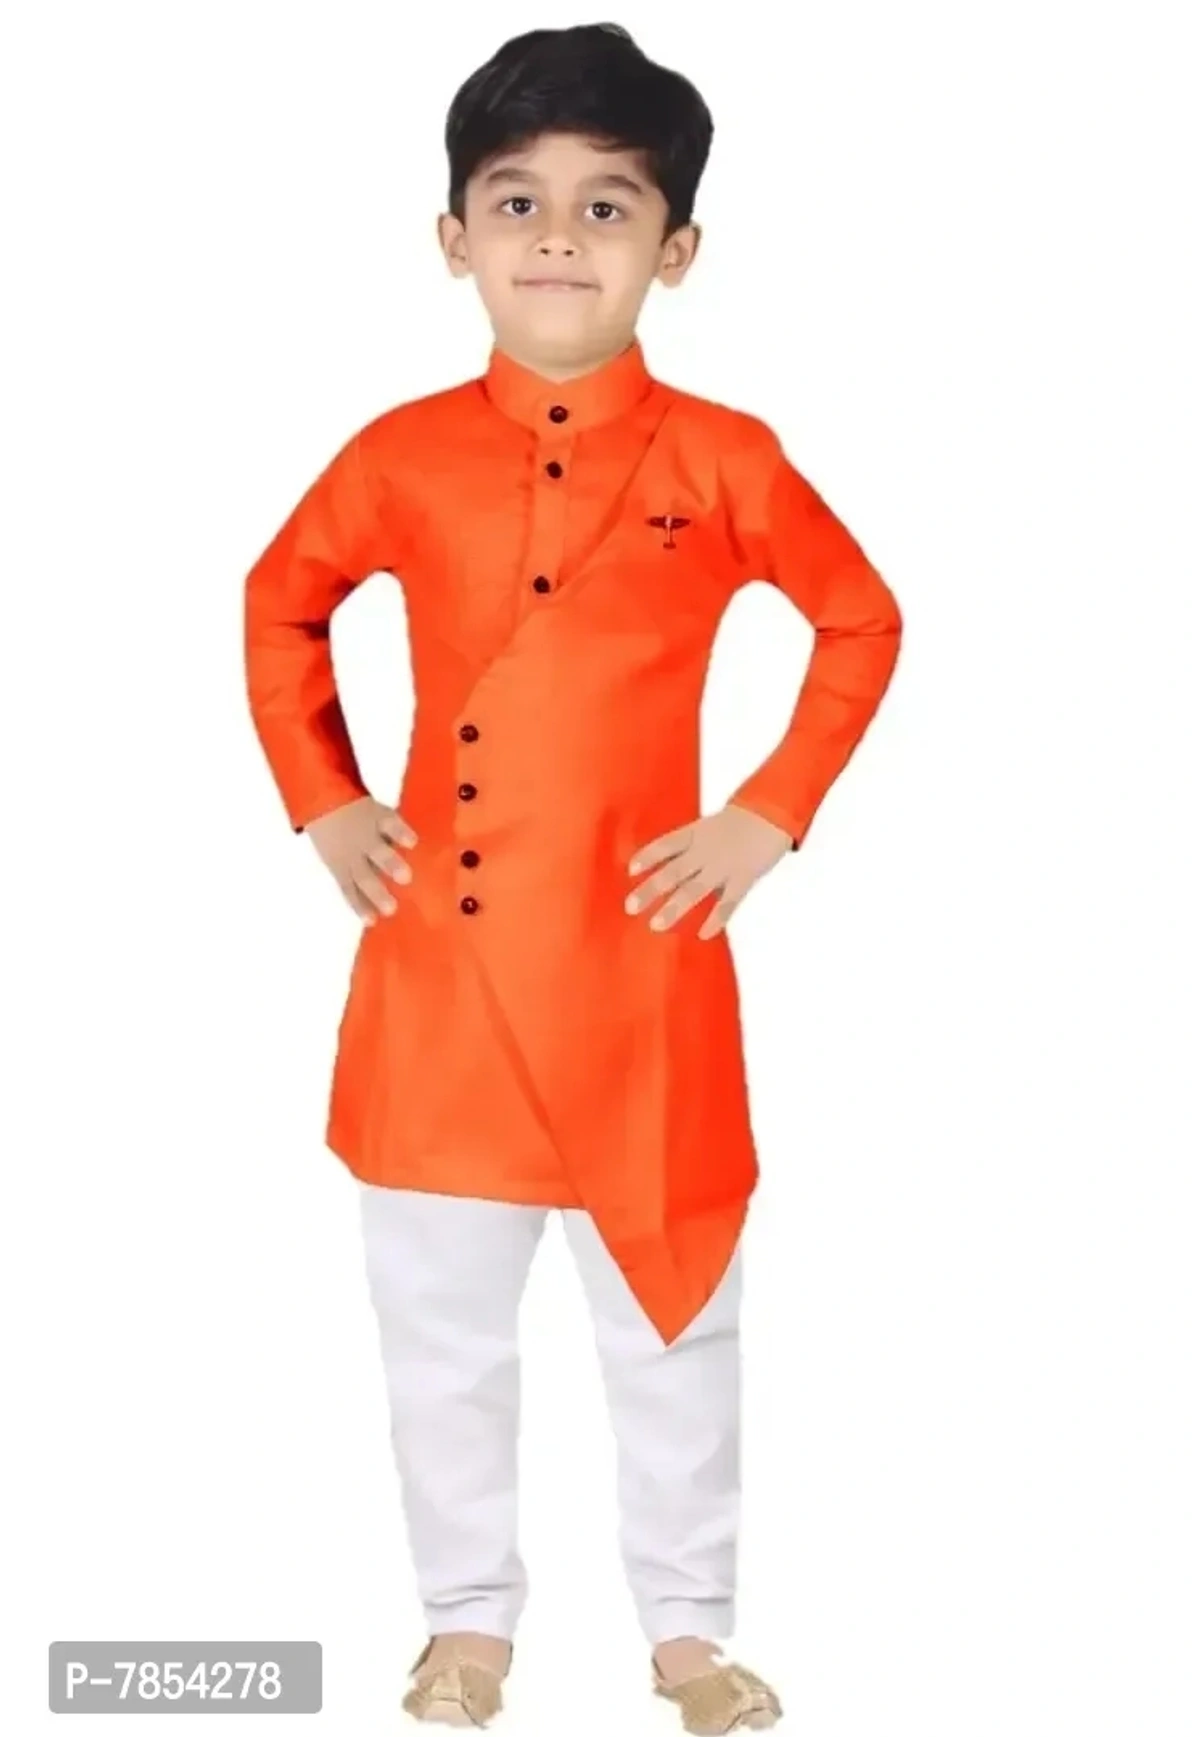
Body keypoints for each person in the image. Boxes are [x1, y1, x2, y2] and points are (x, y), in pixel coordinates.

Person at [243, 20, 902, 1731]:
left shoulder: (726, 456)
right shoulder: (397, 454)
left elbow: (860, 620)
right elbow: (280, 601)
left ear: (675, 250)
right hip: (440, 976)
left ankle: (688, 1632)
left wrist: (766, 814)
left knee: (674, 1325)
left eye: (608, 206)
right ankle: (465, 1625)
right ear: (451, 236)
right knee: (441, 1335)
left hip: (641, 961)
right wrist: (324, 800)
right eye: (515, 200)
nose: (556, 237)